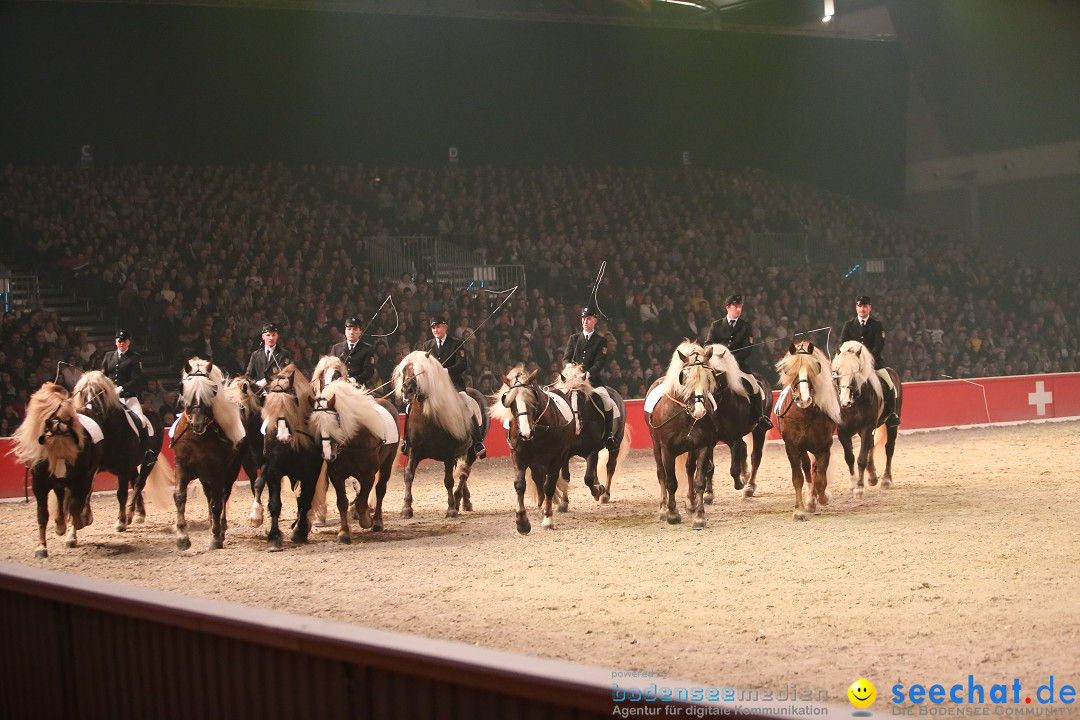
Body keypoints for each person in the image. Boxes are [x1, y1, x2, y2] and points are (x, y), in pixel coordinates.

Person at [402, 316, 485, 458]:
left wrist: (445, 371)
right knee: (410, 407)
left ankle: (477, 442)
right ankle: (407, 441)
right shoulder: (427, 345)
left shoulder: (456, 344)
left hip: (453, 384)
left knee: (466, 403)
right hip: (434, 387)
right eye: (433, 328)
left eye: (438, 327)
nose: (435, 330)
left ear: (445, 327)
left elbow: (462, 365)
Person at [705, 294, 772, 430]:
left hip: (739, 366)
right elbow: (708, 345)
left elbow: (747, 350)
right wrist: (718, 357)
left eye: (740, 307)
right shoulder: (716, 325)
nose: (738, 309)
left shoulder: (745, 326)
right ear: (728, 308)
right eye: (735, 307)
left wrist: (732, 361)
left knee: (755, 387)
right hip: (718, 366)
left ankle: (760, 417)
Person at [840, 294, 900, 427]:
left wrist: (866, 361)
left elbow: (879, 346)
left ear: (869, 308)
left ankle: (892, 413)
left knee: (890, 384)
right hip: (852, 366)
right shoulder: (849, 325)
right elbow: (843, 344)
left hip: (874, 364)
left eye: (865, 306)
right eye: (860, 306)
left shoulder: (877, 325)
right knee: (838, 381)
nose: (862, 309)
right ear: (856, 308)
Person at [563, 306, 618, 450]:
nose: (585, 321)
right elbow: (566, 358)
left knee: (607, 401)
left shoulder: (601, 341)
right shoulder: (574, 339)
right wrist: (568, 366)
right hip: (573, 382)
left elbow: (600, 361)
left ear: (594, 320)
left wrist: (588, 374)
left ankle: (609, 435)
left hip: (593, 382)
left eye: (588, 318)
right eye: (583, 319)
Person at [101, 329, 156, 463]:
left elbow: (136, 379)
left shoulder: (135, 357)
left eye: (124, 341)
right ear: (115, 341)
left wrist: (121, 388)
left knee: (141, 421)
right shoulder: (108, 356)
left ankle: (147, 451)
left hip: (128, 397)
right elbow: (103, 375)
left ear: (129, 342)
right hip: (110, 398)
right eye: (119, 341)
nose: (122, 343)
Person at [330, 316, 375, 388]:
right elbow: (331, 368)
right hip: (338, 386)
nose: (351, 332)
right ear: (345, 331)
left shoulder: (367, 349)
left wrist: (353, 380)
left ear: (360, 332)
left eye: (355, 329)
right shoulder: (336, 348)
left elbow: (369, 371)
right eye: (349, 329)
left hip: (358, 387)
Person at [245, 322, 291, 393]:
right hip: (258, 394)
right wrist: (255, 385)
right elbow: (248, 375)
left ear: (277, 336)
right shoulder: (255, 355)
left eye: (273, 335)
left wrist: (265, 381)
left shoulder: (283, 354)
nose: (271, 338)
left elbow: (283, 374)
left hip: (276, 392)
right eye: (268, 335)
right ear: (263, 336)